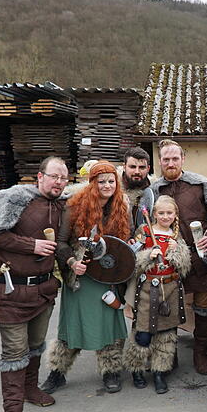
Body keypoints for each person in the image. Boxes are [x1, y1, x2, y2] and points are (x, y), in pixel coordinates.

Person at [0, 156, 68, 412]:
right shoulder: (14, 198)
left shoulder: (61, 206)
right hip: (10, 292)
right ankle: (13, 406)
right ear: (40, 176)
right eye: (54, 176)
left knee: (36, 345)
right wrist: (31, 245)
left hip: (43, 291)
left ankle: (30, 389)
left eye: (63, 178)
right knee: (14, 353)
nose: (58, 182)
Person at [41, 161, 132, 394]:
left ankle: (111, 371)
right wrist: (72, 262)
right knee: (74, 325)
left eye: (111, 180)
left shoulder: (122, 205)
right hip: (81, 276)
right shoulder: (75, 207)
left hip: (108, 276)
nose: (107, 185)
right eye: (101, 181)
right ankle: (57, 372)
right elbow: (60, 243)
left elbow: (124, 241)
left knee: (109, 324)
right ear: (92, 184)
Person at [149, 139, 207, 375]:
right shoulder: (153, 191)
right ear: (159, 161)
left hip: (200, 258)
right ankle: (169, 355)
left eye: (175, 158)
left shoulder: (201, 185)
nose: (170, 163)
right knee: (167, 307)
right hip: (168, 260)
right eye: (166, 159)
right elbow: (146, 225)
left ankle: (200, 354)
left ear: (183, 159)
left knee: (203, 306)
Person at [123, 195, 191, 393]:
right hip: (146, 290)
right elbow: (132, 262)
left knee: (165, 333)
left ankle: (159, 372)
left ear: (175, 215)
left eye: (169, 213)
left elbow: (184, 267)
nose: (165, 216)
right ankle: (136, 368)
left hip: (170, 290)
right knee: (143, 334)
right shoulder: (144, 232)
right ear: (153, 214)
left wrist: (176, 252)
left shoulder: (176, 236)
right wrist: (147, 255)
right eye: (161, 213)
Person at [122, 146, 155, 228]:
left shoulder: (155, 191)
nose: (137, 171)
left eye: (142, 167)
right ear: (124, 167)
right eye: (132, 167)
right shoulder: (111, 189)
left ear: (148, 168)